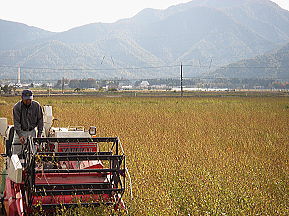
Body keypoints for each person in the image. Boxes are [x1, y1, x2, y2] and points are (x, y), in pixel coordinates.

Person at [12, 89, 43, 155]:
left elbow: (40, 120)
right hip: (20, 131)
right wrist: (20, 135)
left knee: (32, 153)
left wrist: (39, 134)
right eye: (26, 100)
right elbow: (16, 122)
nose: (28, 101)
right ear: (22, 98)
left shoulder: (37, 106)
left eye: (30, 99)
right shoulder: (17, 107)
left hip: (32, 131)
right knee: (16, 152)